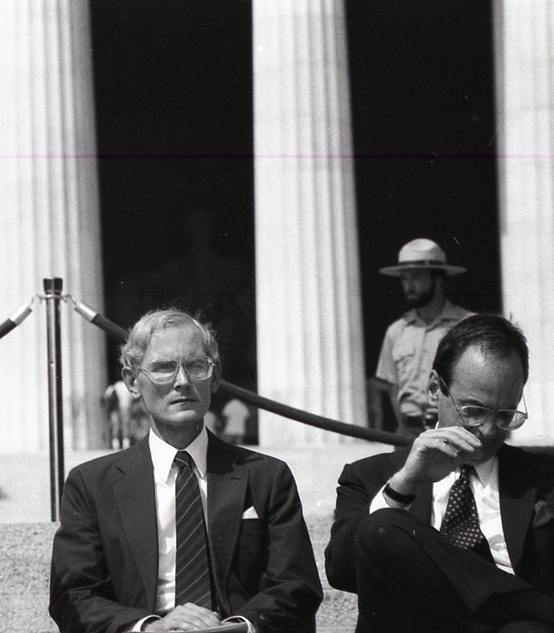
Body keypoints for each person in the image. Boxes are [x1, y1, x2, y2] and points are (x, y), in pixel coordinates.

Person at [49, 309, 322, 633]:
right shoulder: (92, 485)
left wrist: (235, 628)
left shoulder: (266, 477)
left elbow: (296, 586)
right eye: (164, 368)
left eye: (196, 366)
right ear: (132, 381)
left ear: (216, 375)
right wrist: (149, 628)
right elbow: (72, 594)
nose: (182, 381)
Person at [325, 314, 554, 633]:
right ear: (435, 388)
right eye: (473, 411)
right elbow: (341, 570)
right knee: (383, 526)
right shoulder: (371, 475)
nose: (488, 431)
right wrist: (403, 485)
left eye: (505, 415)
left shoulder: (543, 477)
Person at [374, 238, 472, 436]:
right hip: (407, 433)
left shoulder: (467, 326)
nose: (408, 285)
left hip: (452, 430)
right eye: (404, 278)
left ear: (438, 279)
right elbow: (393, 387)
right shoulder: (397, 331)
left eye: (416, 277)